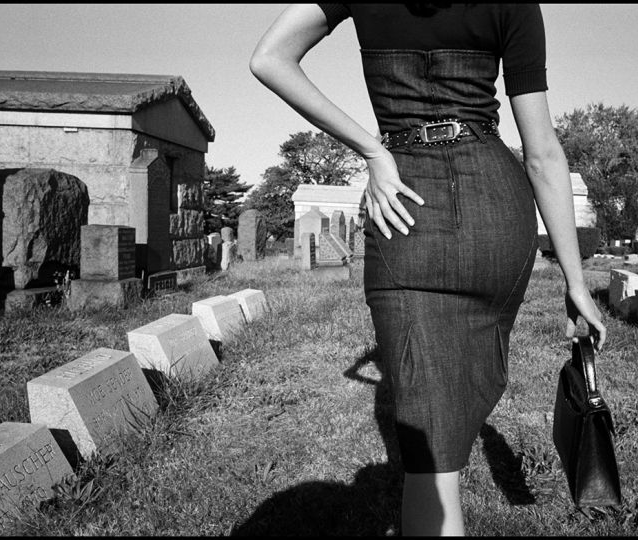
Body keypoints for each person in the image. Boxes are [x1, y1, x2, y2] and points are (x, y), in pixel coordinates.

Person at [250, 4, 607, 536]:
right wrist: (575, 282)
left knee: (430, 445)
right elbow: (541, 155)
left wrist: (372, 151)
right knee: (458, 394)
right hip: (496, 209)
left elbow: (269, 58)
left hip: (404, 202)